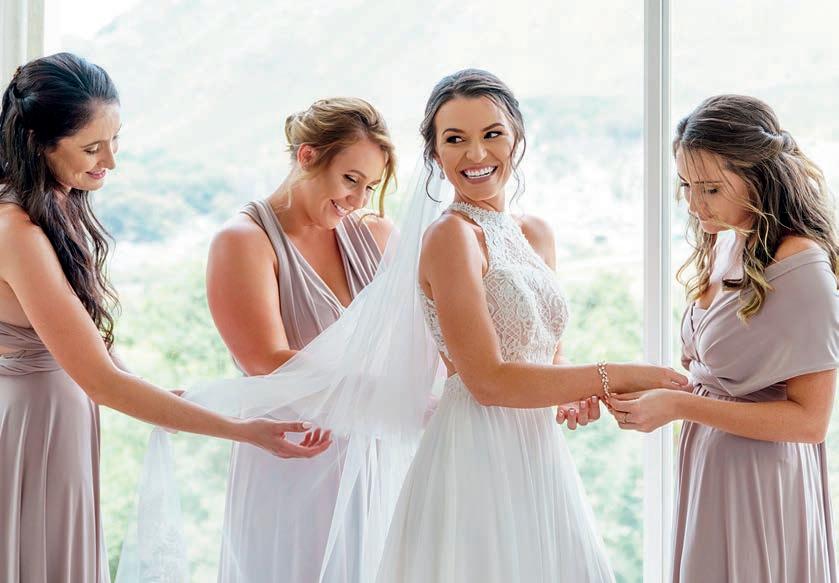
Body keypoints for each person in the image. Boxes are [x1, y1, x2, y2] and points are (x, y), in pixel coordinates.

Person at [0, 53, 329, 583]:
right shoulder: (17, 232)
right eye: (91, 147)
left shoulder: (53, 208)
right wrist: (243, 432)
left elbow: (96, 350)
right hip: (29, 433)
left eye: (115, 140)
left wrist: (165, 399)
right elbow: (102, 382)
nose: (110, 161)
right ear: (38, 141)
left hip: (57, 427)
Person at [375, 68, 689, 583]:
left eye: (492, 134)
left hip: (539, 451)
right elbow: (488, 381)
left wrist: (572, 392)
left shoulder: (535, 233)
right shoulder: (450, 237)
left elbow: (548, 353)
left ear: (517, 137)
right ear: (434, 153)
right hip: (476, 451)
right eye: (455, 139)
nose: (476, 154)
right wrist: (614, 374)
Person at [610, 94, 839, 582]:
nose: (694, 205)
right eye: (686, 186)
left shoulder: (800, 266)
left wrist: (680, 407)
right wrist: (656, 387)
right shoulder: (729, 240)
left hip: (762, 482)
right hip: (711, 470)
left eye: (710, 189)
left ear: (758, 177)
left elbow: (811, 422)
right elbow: (719, 378)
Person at [206, 97, 396, 581]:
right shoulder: (243, 241)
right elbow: (265, 359)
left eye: (370, 187)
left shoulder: (375, 236)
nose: (359, 199)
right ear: (308, 156)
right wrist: (386, 393)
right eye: (350, 180)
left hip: (372, 458)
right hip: (290, 461)